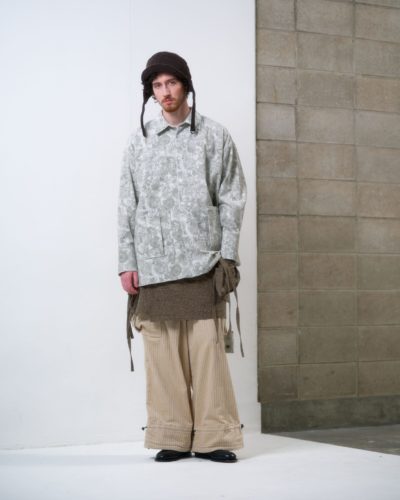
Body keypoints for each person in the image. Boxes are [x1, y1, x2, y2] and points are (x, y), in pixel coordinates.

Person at [118, 51, 247, 463]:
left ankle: (214, 437)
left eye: (171, 83)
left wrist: (228, 257)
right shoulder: (139, 141)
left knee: (207, 353)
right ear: (150, 93)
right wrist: (127, 263)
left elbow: (232, 198)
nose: (165, 92)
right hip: (153, 266)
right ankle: (171, 435)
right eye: (157, 86)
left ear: (186, 85)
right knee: (162, 357)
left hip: (204, 262)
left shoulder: (215, 136)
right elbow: (127, 205)